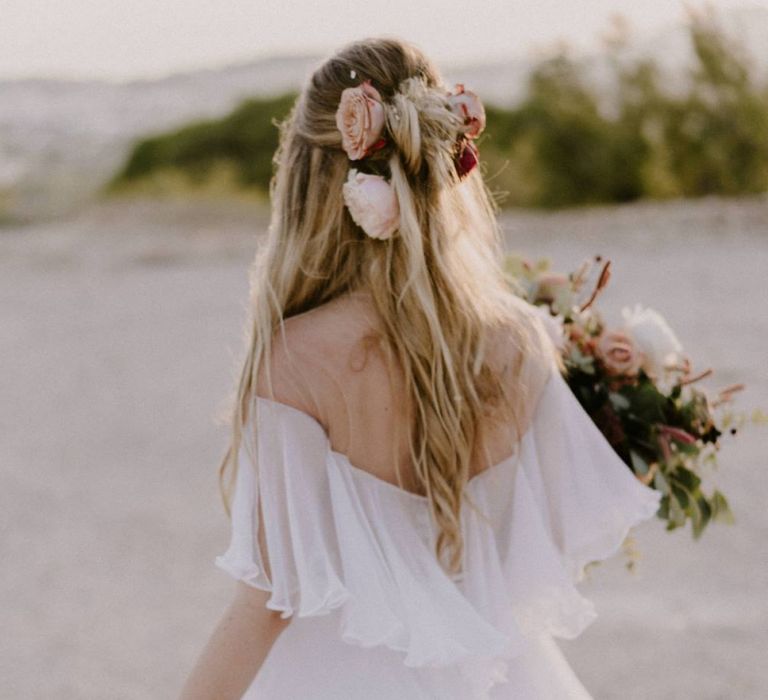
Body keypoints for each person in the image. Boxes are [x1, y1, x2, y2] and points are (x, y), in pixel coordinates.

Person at [178, 37, 662, 700]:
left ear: (307, 183)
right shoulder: (519, 340)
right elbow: (535, 547)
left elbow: (267, 600)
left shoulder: (294, 362)